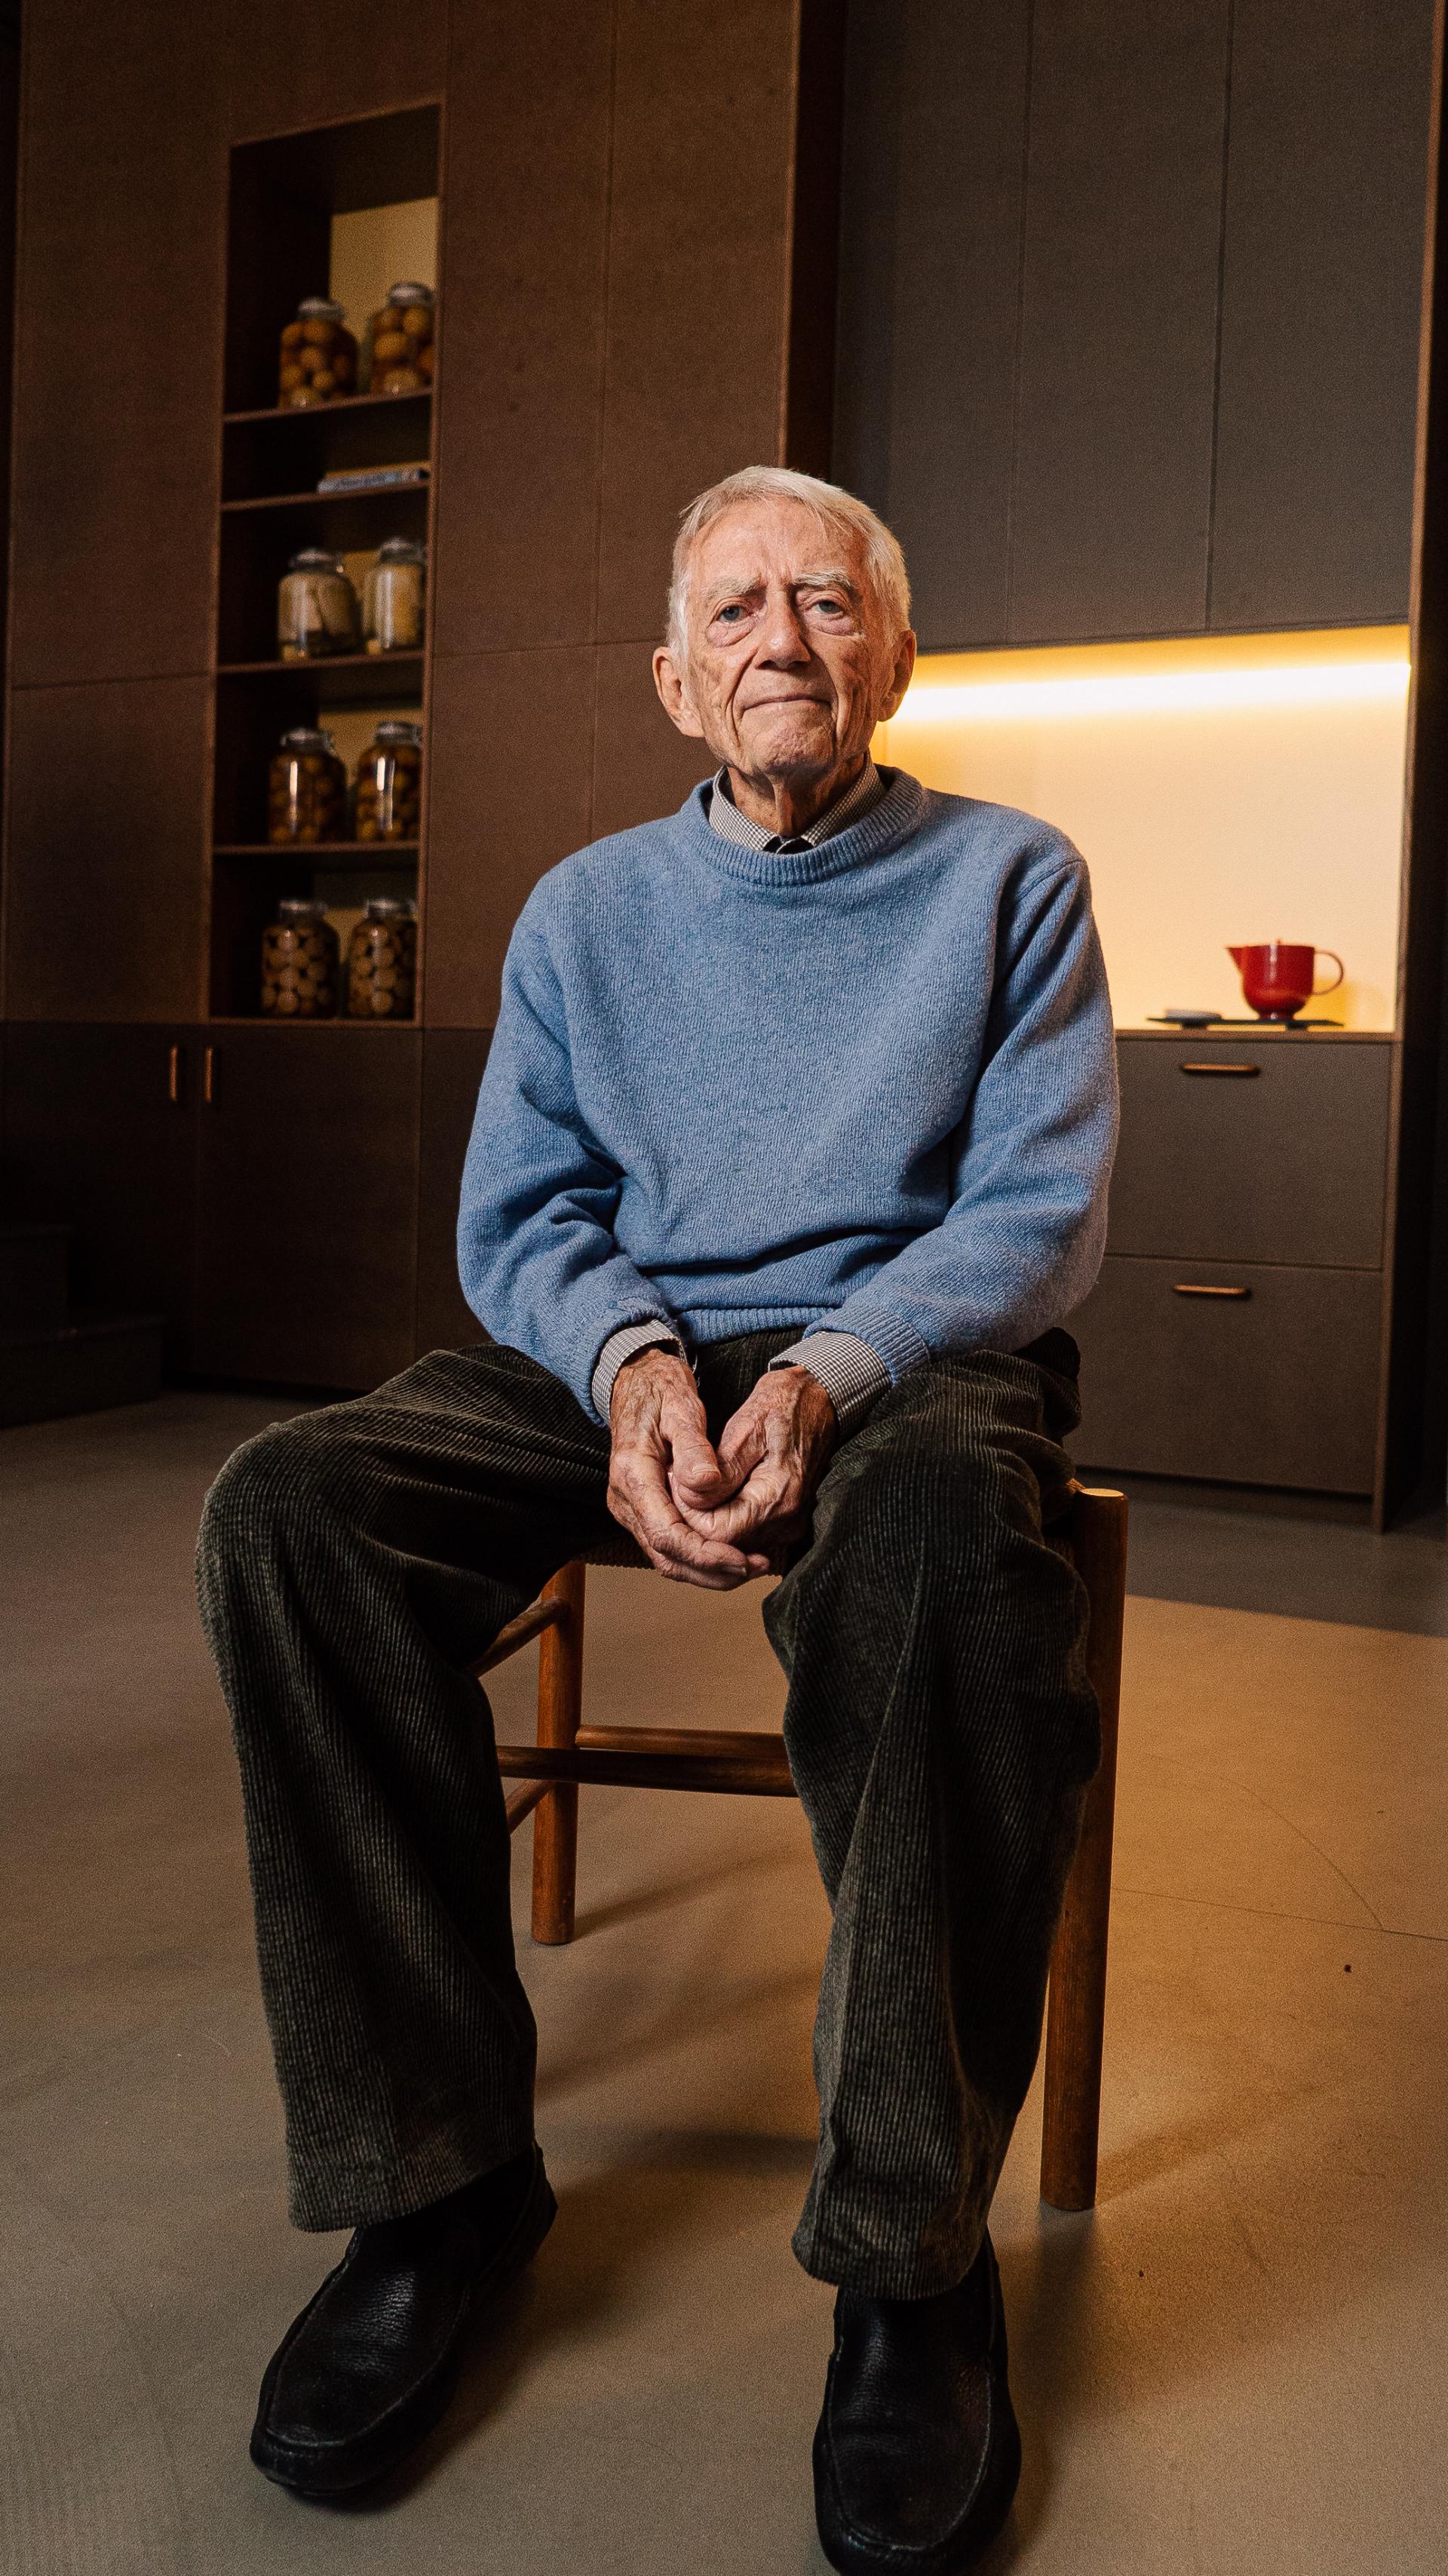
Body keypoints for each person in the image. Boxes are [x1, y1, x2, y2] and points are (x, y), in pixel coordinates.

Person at [198, 463, 1118, 2574]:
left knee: (937, 1566)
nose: (778, 638)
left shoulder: (1012, 879)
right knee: (291, 1513)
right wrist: (634, 1374)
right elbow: (525, 1217)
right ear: (671, 674)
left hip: (909, 1358)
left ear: (893, 650)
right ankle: (436, 2188)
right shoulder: (588, 908)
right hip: (613, 1357)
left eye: (823, 599)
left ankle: (908, 2257)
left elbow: (1033, 1215)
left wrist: (816, 1377)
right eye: (732, 609)